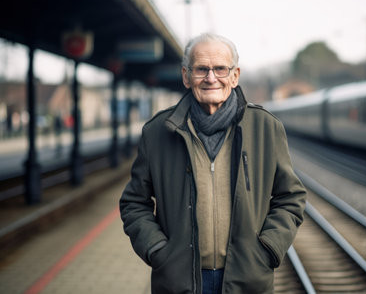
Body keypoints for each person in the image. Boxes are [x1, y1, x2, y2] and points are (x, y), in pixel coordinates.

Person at [120, 33, 307, 294]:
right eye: (201, 69)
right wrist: (157, 251)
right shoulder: (157, 132)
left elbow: (291, 197)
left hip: (247, 280)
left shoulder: (266, 128)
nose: (211, 78)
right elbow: (133, 203)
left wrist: (269, 249)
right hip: (179, 282)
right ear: (186, 76)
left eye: (220, 68)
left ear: (235, 75)